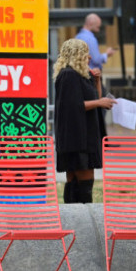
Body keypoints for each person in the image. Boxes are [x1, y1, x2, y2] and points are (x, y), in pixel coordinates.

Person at [53, 39, 116, 203]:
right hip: (77, 139)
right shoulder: (68, 74)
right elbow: (72, 105)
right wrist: (99, 103)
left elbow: (96, 97)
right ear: (76, 55)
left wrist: (97, 81)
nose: (89, 57)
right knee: (82, 183)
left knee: (79, 183)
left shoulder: (81, 74)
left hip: (86, 135)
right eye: (85, 53)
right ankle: (80, 219)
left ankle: (76, 219)